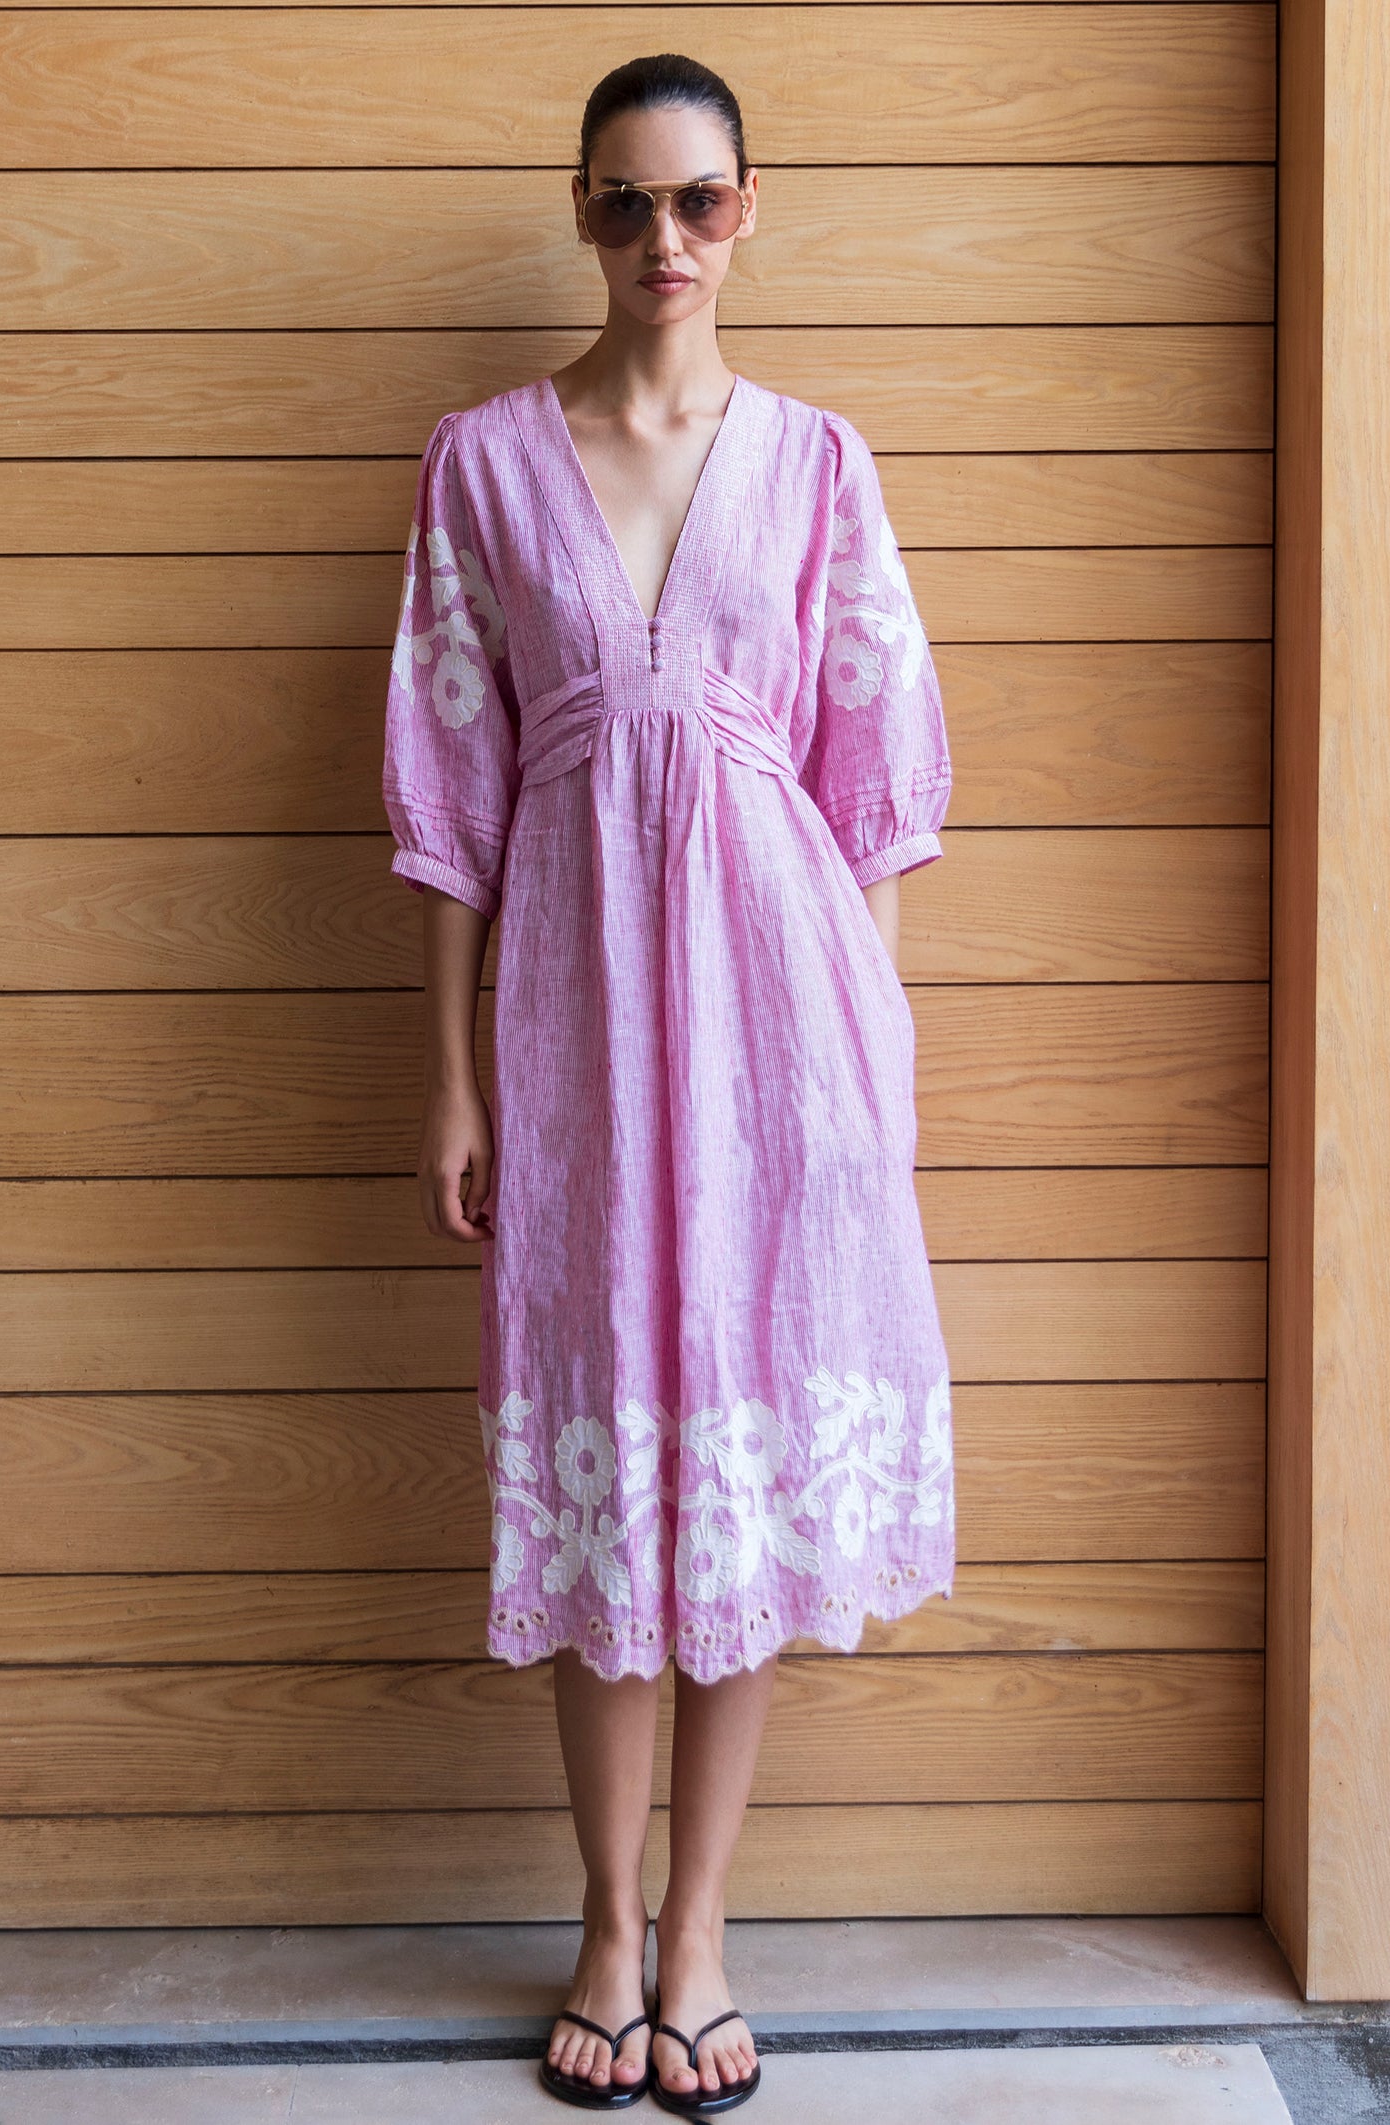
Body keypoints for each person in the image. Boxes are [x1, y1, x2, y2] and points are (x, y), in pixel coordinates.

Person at [382, 51, 955, 2117]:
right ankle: (604, 1924)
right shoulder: (481, 463)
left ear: (746, 210)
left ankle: (704, 1929)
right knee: (608, 1473)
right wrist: (450, 1078)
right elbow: (445, 798)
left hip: (783, 1035)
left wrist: (869, 1083)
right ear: (580, 213)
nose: (664, 246)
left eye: (699, 203)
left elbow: (874, 795)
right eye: (626, 206)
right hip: (567, 1037)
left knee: (744, 1469)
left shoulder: (817, 464)